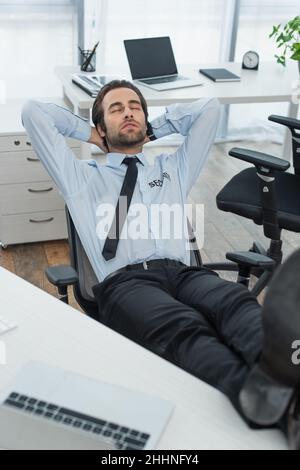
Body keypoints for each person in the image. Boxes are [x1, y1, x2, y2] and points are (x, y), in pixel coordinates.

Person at [21, 80, 300, 449]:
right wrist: (89, 134)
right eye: (116, 109)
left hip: (185, 273)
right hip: (126, 283)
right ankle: (273, 407)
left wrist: (156, 128)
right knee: (185, 328)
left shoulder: (174, 168)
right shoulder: (81, 179)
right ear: (102, 127)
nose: (128, 112)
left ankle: (289, 384)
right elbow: (33, 113)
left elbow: (209, 108)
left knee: (237, 303)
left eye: (135, 106)